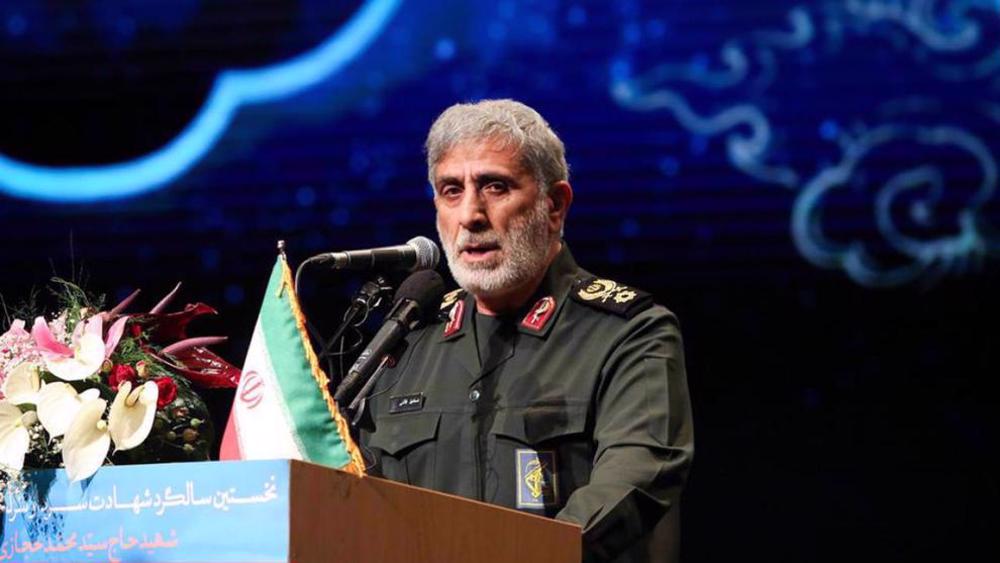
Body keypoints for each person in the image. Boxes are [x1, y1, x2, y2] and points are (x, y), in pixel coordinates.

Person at [359, 99, 694, 562]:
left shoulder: (629, 333)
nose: (471, 214)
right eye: (451, 190)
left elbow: (632, 482)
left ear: (554, 205)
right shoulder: (408, 341)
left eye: (495, 187)